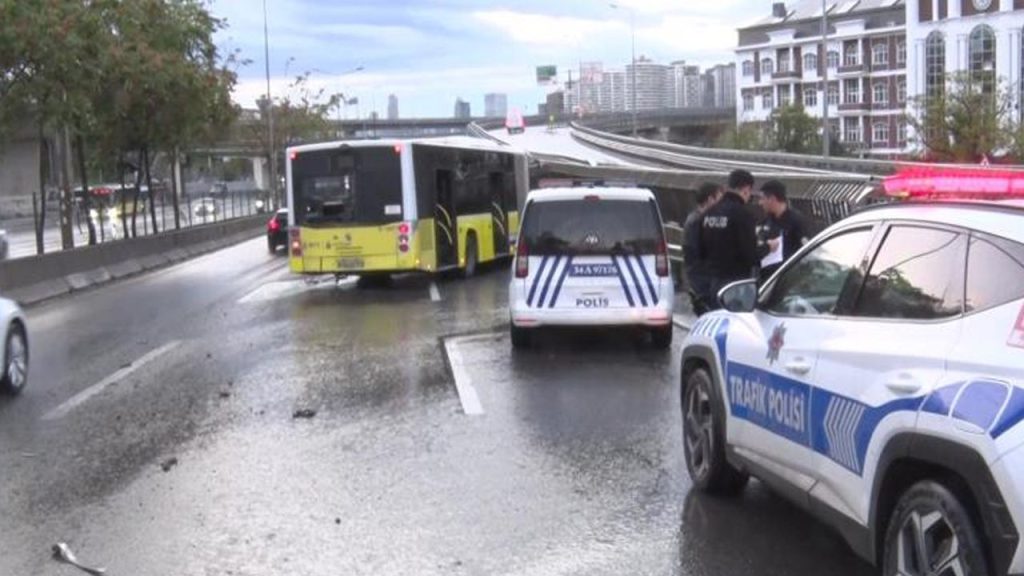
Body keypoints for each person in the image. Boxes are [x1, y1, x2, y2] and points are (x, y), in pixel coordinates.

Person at [699, 169, 765, 309]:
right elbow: (750, 254)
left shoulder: (709, 213)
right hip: (737, 284)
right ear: (747, 189)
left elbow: (701, 249)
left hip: (713, 283)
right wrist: (768, 248)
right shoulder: (743, 215)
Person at [683, 182, 723, 315]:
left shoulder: (695, 219)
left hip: (700, 280)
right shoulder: (698, 222)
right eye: (719, 198)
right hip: (703, 283)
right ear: (710, 199)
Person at [758, 180, 808, 282]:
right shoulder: (766, 221)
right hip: (766, 278)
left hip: (788, 280)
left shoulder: (796, 221)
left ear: (772, 199)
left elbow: (806, 249)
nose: (760, 202)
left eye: (762, 198)